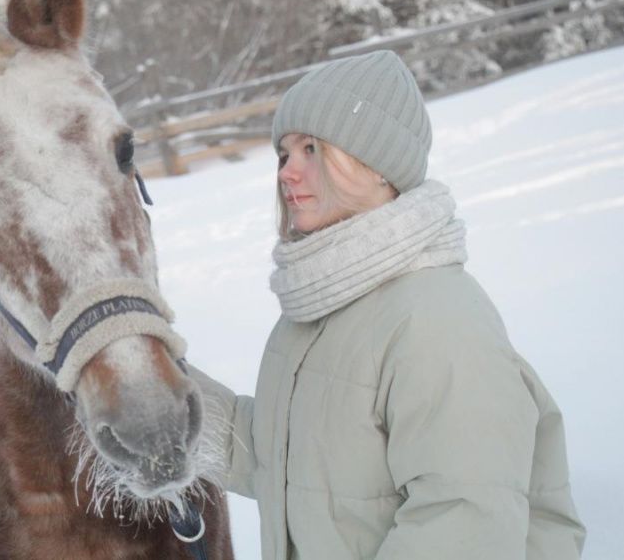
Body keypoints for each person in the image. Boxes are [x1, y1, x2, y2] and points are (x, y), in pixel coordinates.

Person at [192, 51, 586, 559]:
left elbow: (466, 523)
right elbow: (275, 457)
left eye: (311, 149)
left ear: (378, 167)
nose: (288, 171)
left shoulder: (437, 319)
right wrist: (157, 392)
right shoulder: (318, 308)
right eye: (284, 154)